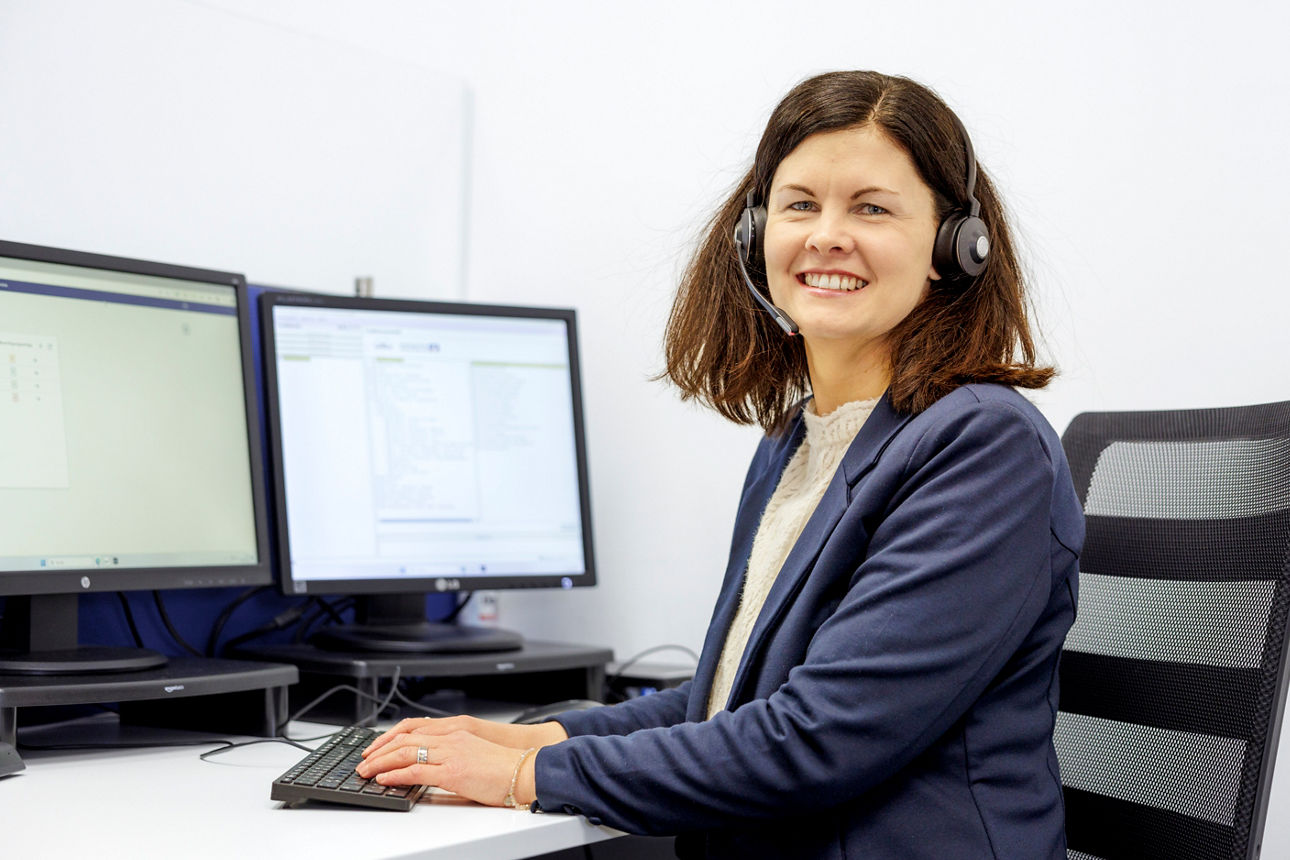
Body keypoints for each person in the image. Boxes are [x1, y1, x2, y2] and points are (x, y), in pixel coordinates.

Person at [357, 70, 1084, 860]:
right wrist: (524, 739)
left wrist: (526, 773)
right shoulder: (797, 442)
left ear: (953, 246)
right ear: (754, 236)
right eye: (800, 203)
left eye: (871, 208)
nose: (826, 234)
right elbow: (727, 703)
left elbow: (815, 740)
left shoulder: (982, 446)